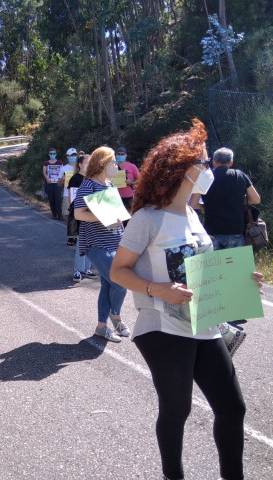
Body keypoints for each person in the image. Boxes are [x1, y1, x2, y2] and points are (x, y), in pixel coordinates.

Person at [110, 119, 262, 480]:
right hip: (161, 326)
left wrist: (241, 280)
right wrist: (156, 289)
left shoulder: (193, 214)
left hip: (204, 323)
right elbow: (119, 271)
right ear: (182, 168)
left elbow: (205, 270)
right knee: (177, 409)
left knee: (232, 407)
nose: (208, 170)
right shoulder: (146, 219)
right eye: (204, 163)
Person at [73, 146, 129, 342]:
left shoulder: (109, 184)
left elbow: (117, 215)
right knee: (120, 282)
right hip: (96, 244)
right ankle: (116, 316)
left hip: (115, 242)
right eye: (113, 161)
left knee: (107, 285)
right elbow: (78, 214)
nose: (116, 165)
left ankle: (101, 327)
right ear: (103, 163)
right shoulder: (88, 185)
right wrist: (103, 216)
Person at [189, 147, 261, 250]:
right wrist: (237, 201)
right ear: (231, 163)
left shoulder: (206, 177)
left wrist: (208, 206)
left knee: (215, 266)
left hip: (212, 231)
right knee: (235, 265)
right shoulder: (239, 175)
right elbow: (256, 199)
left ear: (213, 161)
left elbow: (192, 204)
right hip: (235, 230)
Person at [67, 153, 97, 283]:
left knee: (90, 243)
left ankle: (86, 269)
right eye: (87, 162)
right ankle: (78, 270)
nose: (89, 165)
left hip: (92, 215)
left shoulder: (92, 178)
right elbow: (72, 200)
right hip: (80, 215)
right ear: (80, 164)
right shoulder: (75, 179)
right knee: (81, 243)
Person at [115, 147, 140, 213]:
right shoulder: (112, 166)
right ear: (116, 155)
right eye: (118, 154)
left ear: (126, 155)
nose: (120, 156)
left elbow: (140, 179)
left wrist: (131, 183)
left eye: (122, 154)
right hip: (115, 196)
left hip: (128, 196)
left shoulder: (132, 166)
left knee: (128, 217)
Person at [42, 147, 63, 219]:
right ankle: (54, 214)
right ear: (48, 154)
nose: (52, 155)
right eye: (51, 154)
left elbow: (62, 172)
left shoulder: (60, 162)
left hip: (57, 183)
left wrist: (60, 180)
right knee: (51, 199)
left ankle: (59, 215)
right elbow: (44, 173)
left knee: (58, 199)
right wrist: (47, 178)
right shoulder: (46, 163)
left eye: (54, 153)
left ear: (56, 154)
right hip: (49, 183)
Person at [61, 147, 78, 232]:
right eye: (71, 155)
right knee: (66, 214)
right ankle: (71, 230)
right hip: (67, 194)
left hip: (78, 194)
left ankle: (75, 234)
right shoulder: (63, 168)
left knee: (77, 214)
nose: (73, 157)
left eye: (74, 155)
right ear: (67, 157)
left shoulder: (81, 167)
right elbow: (58, 184)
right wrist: (62, 179)